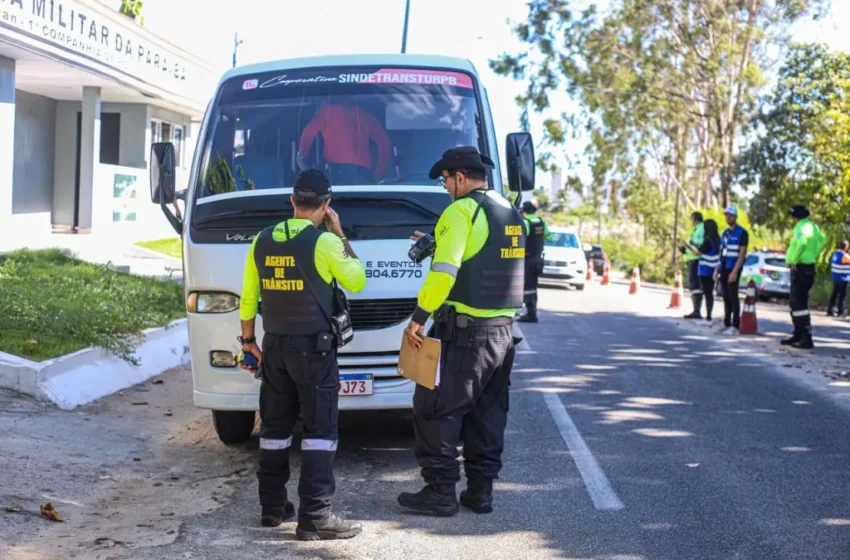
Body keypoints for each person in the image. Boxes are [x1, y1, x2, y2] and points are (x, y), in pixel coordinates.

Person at [238, 169, 366, 540]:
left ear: (292, 202)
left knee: (274, 428)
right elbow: (357, 279)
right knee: (320, 431)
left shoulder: (261, 240)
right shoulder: (325, 242)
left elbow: (249, 297)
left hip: (274, 346)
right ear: (326, 206)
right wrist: (339, 233)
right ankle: (316, 516)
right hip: (314, 349)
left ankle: (272, 506)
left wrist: (249, 343)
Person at [398, 146, 524, 517]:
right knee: (487, 412)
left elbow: (445, 273)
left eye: (446, 180)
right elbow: (486, 254)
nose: (445, 188)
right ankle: (480, 492)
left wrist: (418, 319)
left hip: (466, 333)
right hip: (502, 333)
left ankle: (440, 491)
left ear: (461, 178)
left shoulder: (461, 210)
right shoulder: (508, 209)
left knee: (436, 407)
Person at [297, 102, 392, 185]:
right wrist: (378, 173)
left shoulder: (327, 112)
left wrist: (302, 155)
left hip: (336, 172)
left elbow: (308, 132)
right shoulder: (364, 114)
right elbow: (385, 144)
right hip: (363, 174)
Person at [783, 204, 826, 349]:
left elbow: (801, 242)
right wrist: (813, 255)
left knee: (798, 303)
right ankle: (798, 334)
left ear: (796, 217)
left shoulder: (800, 227)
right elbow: (822, 240)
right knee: (797, 302)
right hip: (808, 266)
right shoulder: (813, 227)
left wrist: (794, 260)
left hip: (800, 267)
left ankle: (805, 338)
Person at [715, 206, 748, 335]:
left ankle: (735, 325)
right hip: (723, 268)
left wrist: (735, 271)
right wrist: (716, 270)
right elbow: (721, 253)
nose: (728, 217)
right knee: (725, 296)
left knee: (733, 297)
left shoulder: (742, 233)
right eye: (726, 215)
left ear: (735, 217)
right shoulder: (725, 233)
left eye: (731, 215)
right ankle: (726, 323)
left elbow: (742, 253)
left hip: (733, 268)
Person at [518, 200, 549, 323]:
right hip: (538, 259)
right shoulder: (541, 222)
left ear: (524, 212)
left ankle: (530, 313)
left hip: (528, 259)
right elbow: (548, 235)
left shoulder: (526, 222)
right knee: (533, 285)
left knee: (527, 286)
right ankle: (532, 311)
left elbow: (521, 237)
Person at [687, 218, 720, 325]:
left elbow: (698, 252)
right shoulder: (718, 239)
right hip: (714, 269)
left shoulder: (707, 240)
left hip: (705, 270)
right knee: (710, 293)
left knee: (707, 293)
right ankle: (709, 315)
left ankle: (708, 317)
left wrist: (687, 247)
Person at [682, 212, 705, 319]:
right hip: (692, 260)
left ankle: (697, 310)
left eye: (692, 219)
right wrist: (684, 250)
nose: (691, 222)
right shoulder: (696, 229)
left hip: (696, 260)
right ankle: (696, 310)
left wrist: (686, 246)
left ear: (695, 219)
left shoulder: (700, 229)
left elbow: (697, 246)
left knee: (696, 285)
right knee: (694, 286)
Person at [828, 240, 850, 317]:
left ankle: (830, 310)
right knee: (842, 296)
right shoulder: (845, 256)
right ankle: (840, 311)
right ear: (846, 247)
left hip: (836, 278)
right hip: (843, 278)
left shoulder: (836, 254)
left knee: (834, 294)